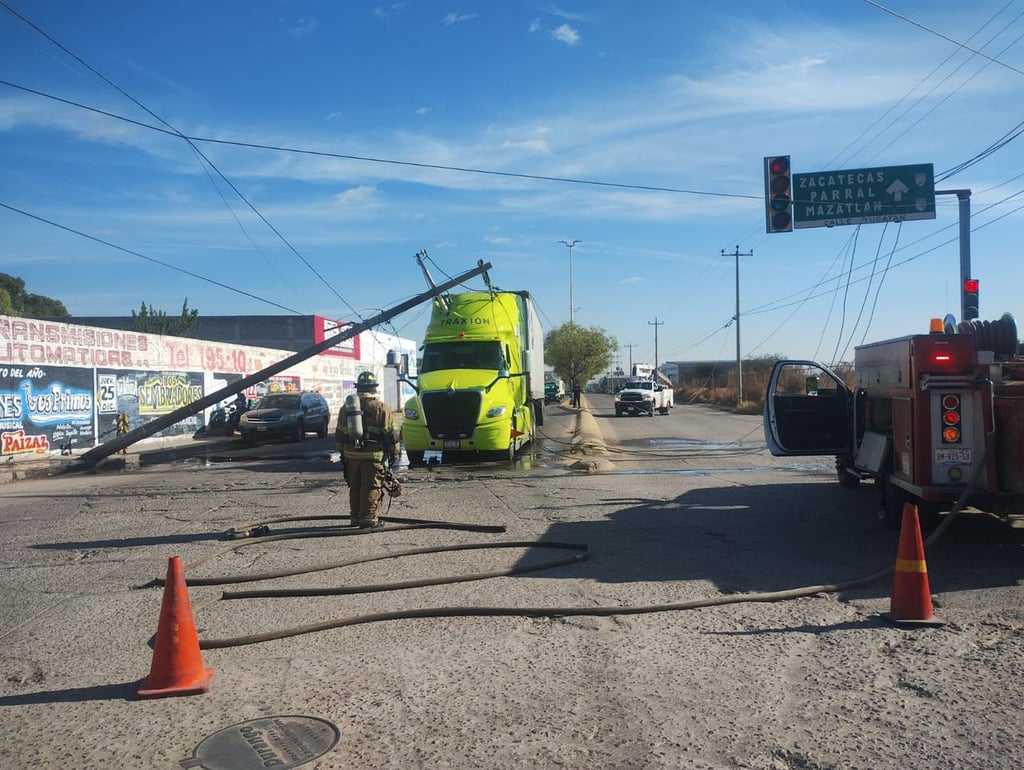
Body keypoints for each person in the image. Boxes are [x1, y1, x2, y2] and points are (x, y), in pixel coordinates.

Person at [335, 371, 399, 529]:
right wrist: (394, 453)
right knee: (371, 487)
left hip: (351, 455)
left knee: (355, 486)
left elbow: (340, 434)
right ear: (374, 388)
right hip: (373, 456)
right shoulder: (381, 408)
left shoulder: (345, 409)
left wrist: (343, 454)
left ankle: (356, 517)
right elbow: (391, 435)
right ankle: (369, 519)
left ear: (358, 388)